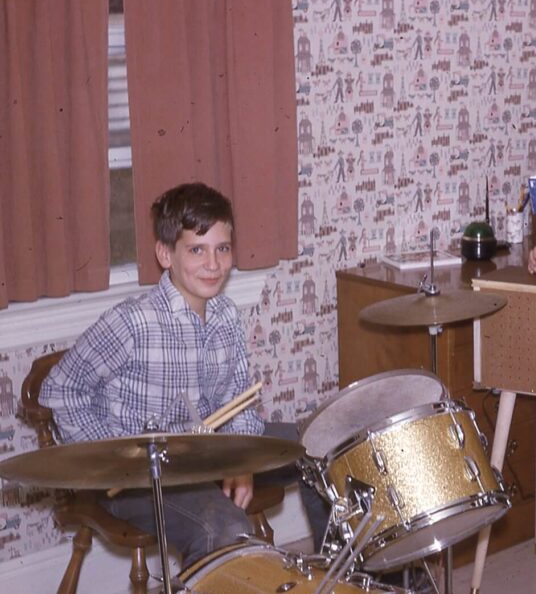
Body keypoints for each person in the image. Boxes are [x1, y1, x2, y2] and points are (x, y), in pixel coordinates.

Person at [40, 183, 328, 567]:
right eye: (197, 249)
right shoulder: (133, 321)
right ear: (165, 254)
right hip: (144, 475)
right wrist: (116, 458)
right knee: (223, 530)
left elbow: (237, 398)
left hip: (207, 451)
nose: (213, 264)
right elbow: (61, 390)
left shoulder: (225, 315)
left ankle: (338, 576)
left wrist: (241, 458)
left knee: (327, 447)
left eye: (222, 249)